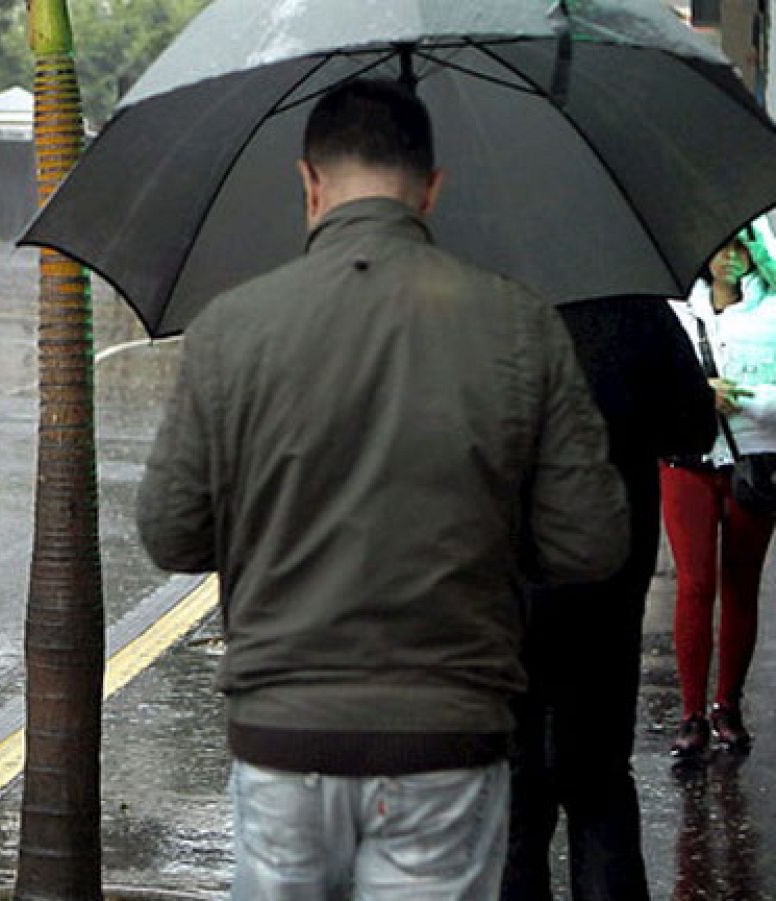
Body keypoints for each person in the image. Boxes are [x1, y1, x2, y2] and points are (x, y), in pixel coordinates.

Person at [136, 78, 629, 899]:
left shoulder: (232, 327)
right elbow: (592, 540)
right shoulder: (519, 323)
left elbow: (169, 532)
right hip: (446, 736)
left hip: (284, 738)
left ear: (309, 184)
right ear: (432, 191)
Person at [502, 297, 716, 901]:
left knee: (514, 790)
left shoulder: (458, 310)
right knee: (597, 783)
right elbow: (694, 426)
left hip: (499, 586)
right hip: (605, 579)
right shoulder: (635, 308)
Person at [662, 229, 776, 759]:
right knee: (695, 584)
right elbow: (655, 379)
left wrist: (747, 401)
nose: (731, 258)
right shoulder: (677, 311)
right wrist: (699, 394)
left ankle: (726, 704)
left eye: (741, 247)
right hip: (688, 456)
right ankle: (690, 713)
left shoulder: (771, 308)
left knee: (740, 583)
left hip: (755, 460)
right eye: (721, 247)